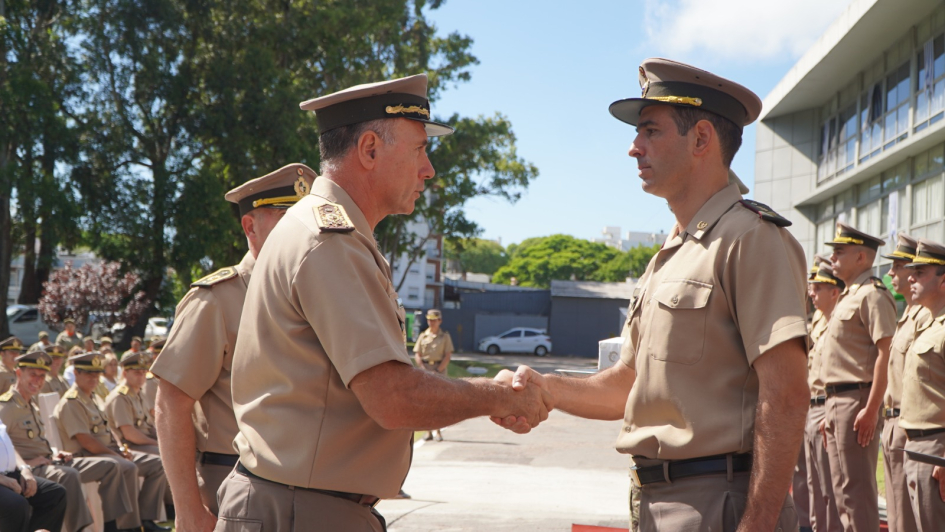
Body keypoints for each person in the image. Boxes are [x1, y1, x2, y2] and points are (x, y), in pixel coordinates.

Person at [215, 73, 552, 532]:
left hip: (302, 504)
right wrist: (497, 396)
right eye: (420, 149)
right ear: (370, 149)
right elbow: (392, 397)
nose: (429, 169)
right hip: (301, 511)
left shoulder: (328, 233)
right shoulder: (328, 241)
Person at [493, 58, 810, 531]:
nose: (633, 148)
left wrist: (758, 523)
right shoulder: (673, 252)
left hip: (721, 502)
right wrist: (545, 388)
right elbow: (629, 383)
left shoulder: (751, 239)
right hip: (657, 500)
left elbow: (786, 394)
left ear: (701, 139)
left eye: (650, 131)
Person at [151, 163, 316, 530]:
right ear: (250, 227)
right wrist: (189, 508)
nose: (302, 232)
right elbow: (171, 402)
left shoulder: (316, 295)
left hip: (310, 488)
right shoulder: (216, 299)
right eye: (287, 219)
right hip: (235, 485)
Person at [0, 349, 133, 532]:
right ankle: (79, 529)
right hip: (29, 468)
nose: (37, 380)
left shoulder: (31, 402)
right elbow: (4, 448)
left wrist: (55, 452)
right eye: (33, 374)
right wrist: (27, 464)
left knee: (111, 466)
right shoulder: (7, 406)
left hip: (49, 461)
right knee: (68, 476)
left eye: (42, 376)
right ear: (18, 373)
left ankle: (114, 526)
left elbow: (35, 441)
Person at [820, 222, 896, 532]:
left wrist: (872, 408)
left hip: (857, 399)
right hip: (837, 400)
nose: (832, 258)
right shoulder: (849, 295)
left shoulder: (872, 295)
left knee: (857, 493)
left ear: (861, 257)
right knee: (842, 492)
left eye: (839, 252)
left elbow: (886, 353)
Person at [53, 352, 170, 532]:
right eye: (88, 374)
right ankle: (119, 526)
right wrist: (116, 454)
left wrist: (121, 449)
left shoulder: (93, 397)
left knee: (156, 464)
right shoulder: (72, 402)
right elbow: (87, 441)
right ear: (76, 373)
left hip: (106, 453)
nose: (94, 378)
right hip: (85, 456)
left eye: (97, 374)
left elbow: (109, 430)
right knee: (125, 466)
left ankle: (141, 521)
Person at [899, 239, 945, 531]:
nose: (910, 278)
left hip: (937, 448)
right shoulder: (927, 324)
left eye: (921, 272)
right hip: (915, 446)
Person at [880, 234, 923, 532]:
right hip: (892, 422)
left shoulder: (924, 316)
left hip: (909, 424)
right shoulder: (906, 314)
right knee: (896, 515)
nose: (891, 273)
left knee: (909, 518)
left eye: (898, 266)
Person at [805, 264, 844, 532]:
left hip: (826, 407)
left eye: (818, 288)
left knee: (832, 489)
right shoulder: (822, 322)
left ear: (834, 292)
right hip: (813, 407)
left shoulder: (840, 325)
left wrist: (830, 409)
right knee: (815, 487)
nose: (812, 293)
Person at [0, 416, 67, 532]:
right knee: (16, 504)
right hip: (2, 479)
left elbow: (8, 447)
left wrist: (24, 469)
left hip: (9, 474)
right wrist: (2, 479)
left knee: (55, 493)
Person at [105, 353, 159, 455]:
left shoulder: (139, 393)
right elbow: (129, 434)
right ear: (125, 374)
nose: (141, 377)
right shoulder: (120, 397)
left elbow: (149, 425)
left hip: (144, 442)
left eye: (143, 372)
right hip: (129, 446)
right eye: (137, 373)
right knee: (166, 455)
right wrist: (157, 443)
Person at [413, 309, 454, 442]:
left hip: (439, 370)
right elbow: (417, 354)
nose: (431, 322)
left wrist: (437, 371)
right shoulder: (423, 336)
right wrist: (423, 369)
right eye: (429, 320)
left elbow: (448, 355)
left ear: (440, 321)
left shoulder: (445, 336)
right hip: (425, 370)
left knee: (438, 402)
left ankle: (438, 432)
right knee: (425, 402)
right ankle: (428, 431)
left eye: (434, 320)